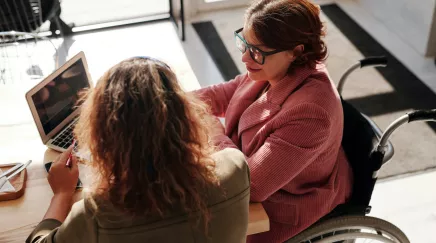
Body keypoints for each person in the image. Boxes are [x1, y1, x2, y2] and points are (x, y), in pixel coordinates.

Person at [26, 57, 250, 243]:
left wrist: (62, 195)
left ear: (103, 137)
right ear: (187, 117)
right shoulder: (235, 168)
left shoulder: (97, 215)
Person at [193, 0, 353, 242]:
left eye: (255, 51)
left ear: (296, 52)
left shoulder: (311, 113)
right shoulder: (271, 65)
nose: (245, 58)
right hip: (253, 177)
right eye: (243, 43)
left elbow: (251, 187)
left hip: (280, 208)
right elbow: (226, 93)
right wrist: (170, 101)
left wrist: (210, 127)